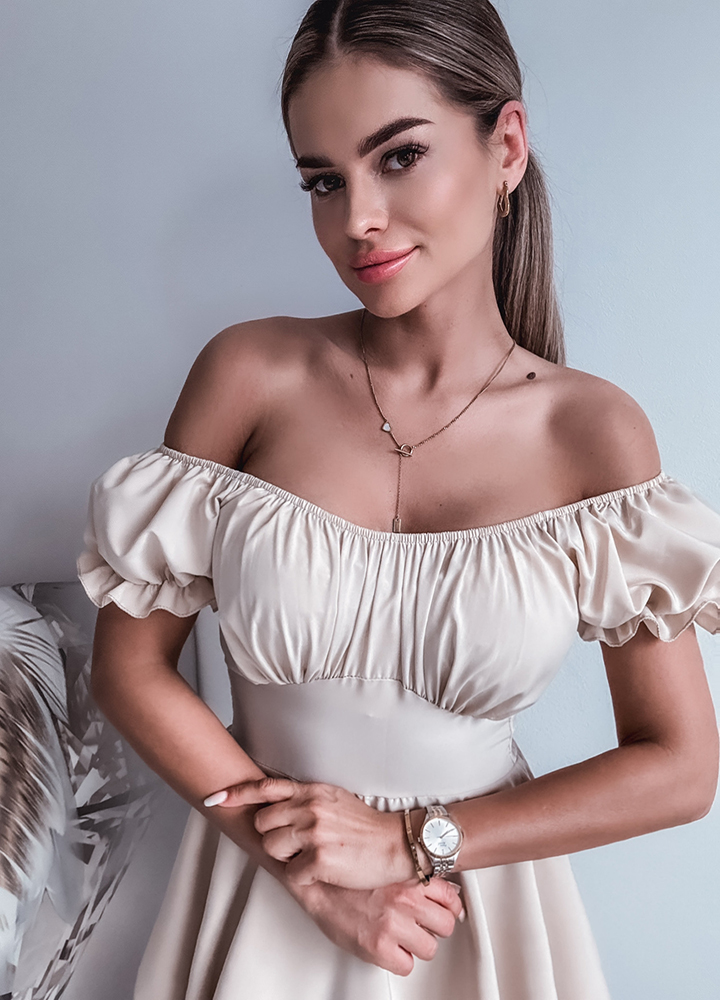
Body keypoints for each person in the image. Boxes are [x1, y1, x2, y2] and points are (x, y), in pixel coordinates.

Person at [77, 2, 720, 997]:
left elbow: (680, 767)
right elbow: (129, 667)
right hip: (263, 896)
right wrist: (313, 876)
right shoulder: (250, 374)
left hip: (473, 921)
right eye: (323, 180)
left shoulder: (592, 432)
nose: (356, 220)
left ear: (507, 146)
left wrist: (409, 841)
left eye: (400, 156)